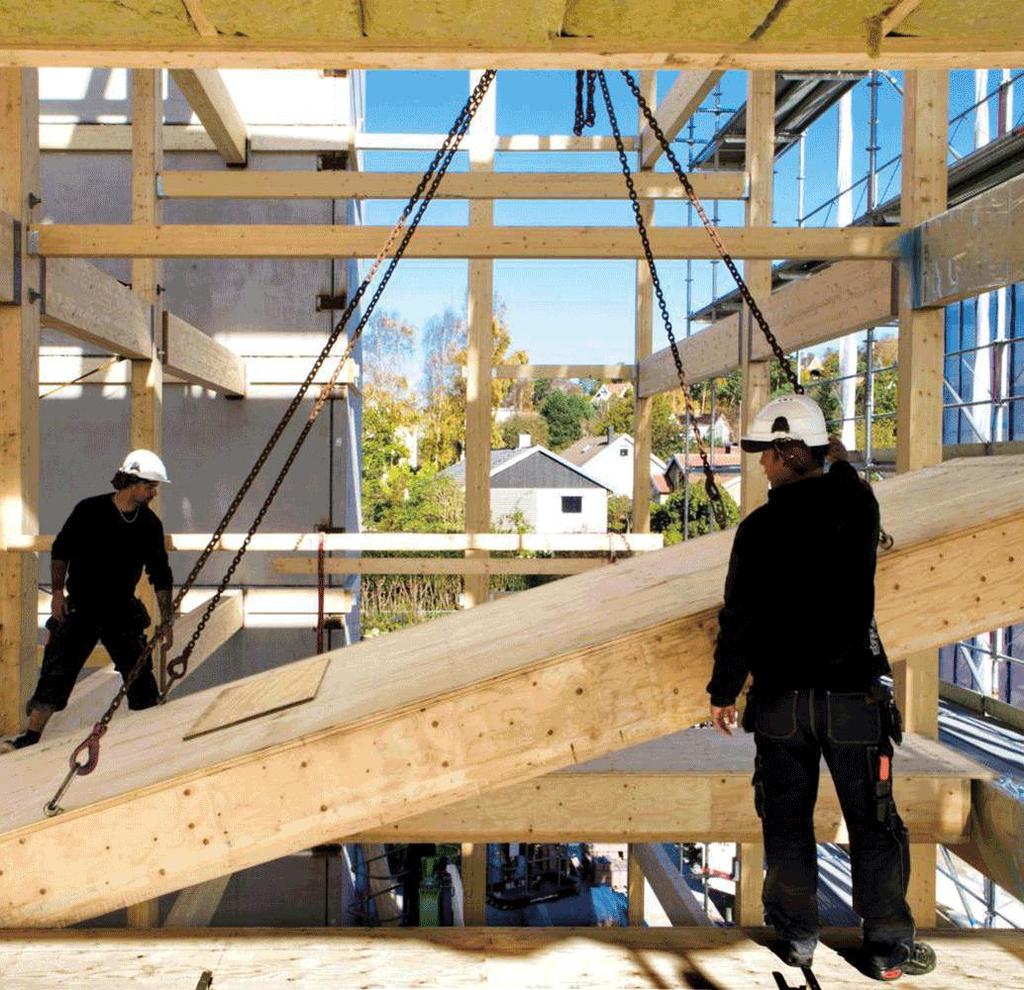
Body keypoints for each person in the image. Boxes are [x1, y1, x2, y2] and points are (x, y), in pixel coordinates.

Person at [706, 394, 935, 983]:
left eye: (766, 455)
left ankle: (799, 937)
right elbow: (850, 484)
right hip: (851, 702)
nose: (760, 466)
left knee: (785, 823)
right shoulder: (855, 508)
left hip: (781, 704)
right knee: (875, 822)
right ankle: (886, 946)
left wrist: (723, 691)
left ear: (788, 453)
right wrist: (839, 459)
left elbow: (739, 618)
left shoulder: (757, 530)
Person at [1, 450, 174, 753]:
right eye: (149, 485)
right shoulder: (89, 511)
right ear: (132, 481)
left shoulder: (149, 525)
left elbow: (161, 574)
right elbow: (61, 550)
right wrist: (57, 594)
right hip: (81, 605)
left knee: (140, 677)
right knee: (57, 672)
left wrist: (167, 619)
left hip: (121, 608)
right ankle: (29, 737)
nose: (153, 492)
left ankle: (150, 744)